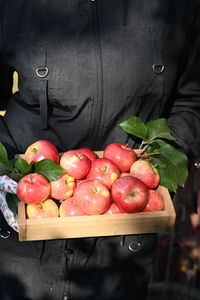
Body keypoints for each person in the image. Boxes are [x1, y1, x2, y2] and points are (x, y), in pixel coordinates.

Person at [0, 1, 200, 299]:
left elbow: (193, 99)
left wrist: (157, 171)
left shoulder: (177, 7)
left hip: (122, 242)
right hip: (22, 232)